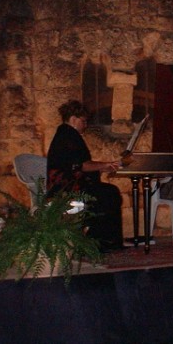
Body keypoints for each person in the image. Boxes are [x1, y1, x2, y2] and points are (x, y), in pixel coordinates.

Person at [47, 100, 124, 252]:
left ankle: (100, 241)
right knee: (108, 194)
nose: (85, 125)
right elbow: (80, 165)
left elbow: (79, 164)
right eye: (83, 121)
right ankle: (101, 243)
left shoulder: (66, 135)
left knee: (107, 193)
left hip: (70, 186)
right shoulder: (68, 136)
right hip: (67, 189)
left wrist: (103, 166)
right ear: (73, 119)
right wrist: (105, 165)